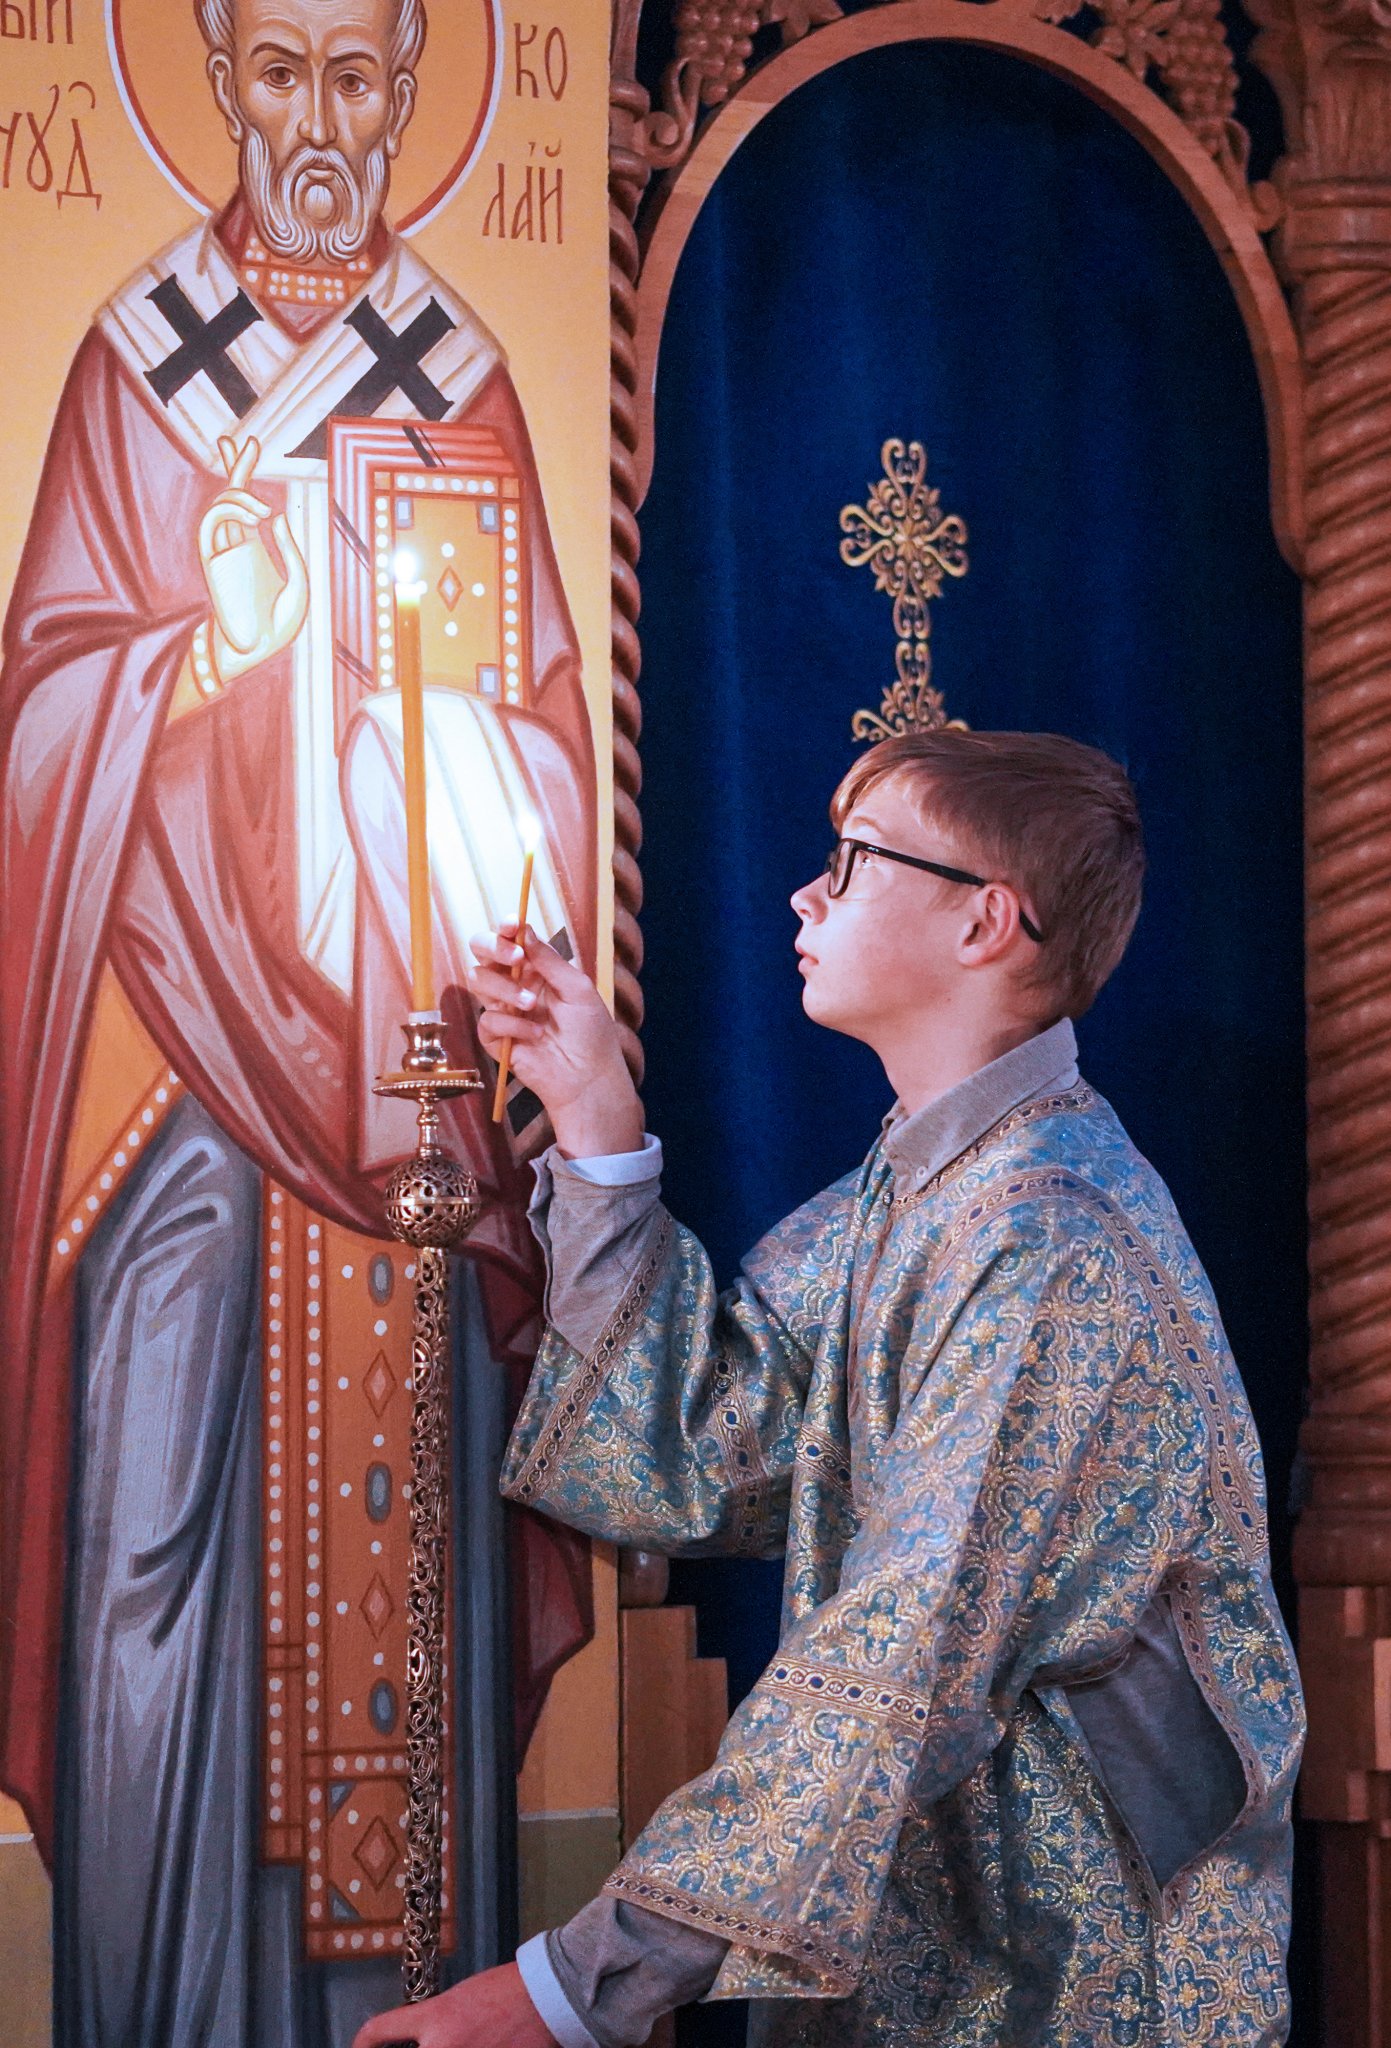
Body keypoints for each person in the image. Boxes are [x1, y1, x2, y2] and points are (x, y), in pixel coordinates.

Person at [354, 728, 1305, 2048]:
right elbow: (692, 1447)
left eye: (851, 861)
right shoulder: (912, 1198)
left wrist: (575, 1987)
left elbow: (898, 1654)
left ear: (987, 922)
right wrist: (592, 1109)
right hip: (942, 1948)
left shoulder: (1050, 1244)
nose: (804, 895)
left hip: (1074, 1972)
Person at [0, 2, 595, 2041]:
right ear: (229, 82)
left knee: (397, 1574)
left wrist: (432, 763)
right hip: (163, 1079)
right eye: (283, 74)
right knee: (147, 1570)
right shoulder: (129, 373)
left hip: (393, 1102)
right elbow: (39, 727)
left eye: (365, 81)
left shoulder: (465, 381)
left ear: (414, 95)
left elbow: (532, 742)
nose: (322, 122)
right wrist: (201, 648)